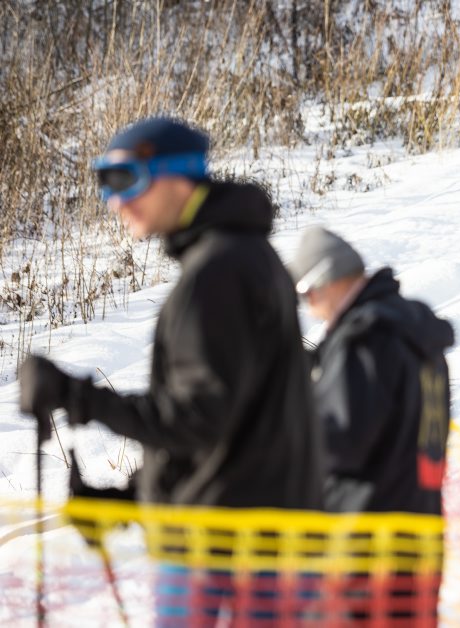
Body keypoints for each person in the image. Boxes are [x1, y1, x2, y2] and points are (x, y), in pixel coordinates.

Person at [18, 117, 324, 622]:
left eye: (126, 181)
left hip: (228, 553)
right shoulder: (242, 257)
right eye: (105, 183)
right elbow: (232, 433)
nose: (115, 201)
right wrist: (129, 498)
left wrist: (78, 397)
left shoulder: (217, 274)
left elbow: (196, 419)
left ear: (179, 177)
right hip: (255, 535)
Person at [289, 226, 454, 515]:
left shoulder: (367, 338)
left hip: (367, 527)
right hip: (420, 516)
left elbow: (342, 440)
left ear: (325, 281)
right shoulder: (413, 327)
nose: (310, 308)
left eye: (306, 294)